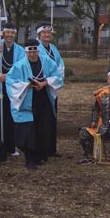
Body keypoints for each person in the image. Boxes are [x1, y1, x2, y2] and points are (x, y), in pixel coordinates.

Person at [6, 39, 64, 170]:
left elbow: (57, 77)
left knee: (43, 128)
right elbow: (11, 82)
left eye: (35, 51)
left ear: (38, 50)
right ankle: (29, 158)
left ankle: (40, 155)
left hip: (43, 99)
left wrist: (44, 83)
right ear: (26, 52)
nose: (32, 54)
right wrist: (27, 85)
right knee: (28, 130)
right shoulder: (19, 65)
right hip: (26, 101)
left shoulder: (47, 61)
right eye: (29, 52)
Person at [0, 23, 25, 155]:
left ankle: (10, 147)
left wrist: (7, 76)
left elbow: (21, 67)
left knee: (10, 117)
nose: (9, 35)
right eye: (7, 32)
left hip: (11, 87)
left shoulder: (20, 50)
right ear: (3, 33)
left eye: (12, 33)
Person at [36, 22, 64, 157]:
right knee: (41, 119)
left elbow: (60, 66)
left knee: (52, 118)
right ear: (39, 35)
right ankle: (41, 149)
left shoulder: (53, 48)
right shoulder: (35, 48)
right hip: (39, 88)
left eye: (48, 32)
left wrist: (53, 80)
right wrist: (43, 81)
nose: (46, 35)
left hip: (51, 87)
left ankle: (51, 149)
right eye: (44, 33)